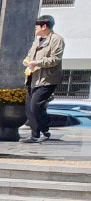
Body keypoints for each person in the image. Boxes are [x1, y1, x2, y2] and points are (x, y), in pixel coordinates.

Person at [22, 14, 64, 143]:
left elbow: (55, 59)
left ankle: (45, 131)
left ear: (44, 26)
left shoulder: (57, 40)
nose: (35, 30)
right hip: (32, 78)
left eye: (36, 27)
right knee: (29, 107)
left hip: (47, 79)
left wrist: (36, 62)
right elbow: (31, 54)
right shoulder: (37, 40)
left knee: (36, 105)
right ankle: (35, 135)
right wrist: (28, 61)